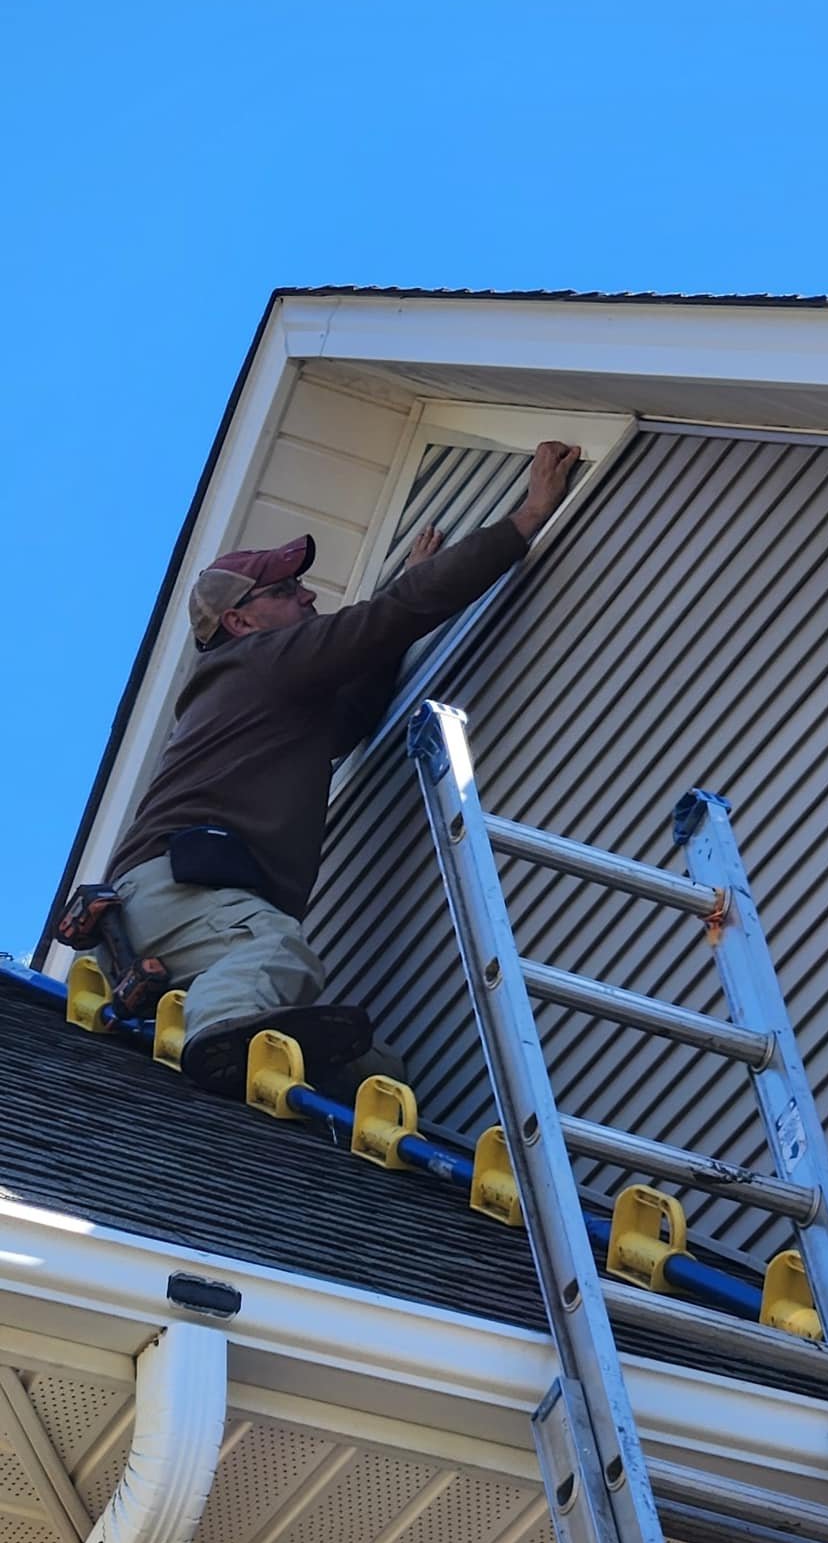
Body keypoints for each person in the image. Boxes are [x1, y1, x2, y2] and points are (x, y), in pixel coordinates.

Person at [104, 439, 580, 1097]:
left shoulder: (267, 695)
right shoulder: (265, 659)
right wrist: (526, 518)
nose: (307, 596)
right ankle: (216, 1040)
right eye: (286, 588)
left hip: (167, 918)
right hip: (181, 895)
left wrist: (395, 618)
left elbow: (351, 714)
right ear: (242, 620)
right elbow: (387, 617)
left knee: (367, 1074)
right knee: (274, 954)